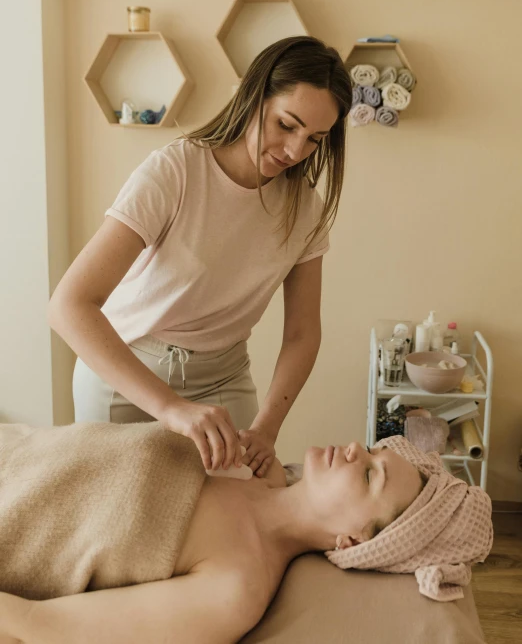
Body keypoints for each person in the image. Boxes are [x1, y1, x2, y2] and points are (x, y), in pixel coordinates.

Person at [48, 35, 352, 479]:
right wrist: (170, 408)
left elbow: (303, 333)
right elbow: (68, 306)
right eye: (287, 125)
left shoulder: (304, 208)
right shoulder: (174, 172)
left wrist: (267, 428)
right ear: (253, 96)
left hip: (224, 384)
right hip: (126, 380)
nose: (294, 151)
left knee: (230, 526)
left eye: (314, 139)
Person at [0, 425, 492, 644]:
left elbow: (39, 626)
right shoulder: (259, 466)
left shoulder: (235, 588)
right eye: (370, 451)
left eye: (368, 475)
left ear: (355, 541)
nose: (352, 449)